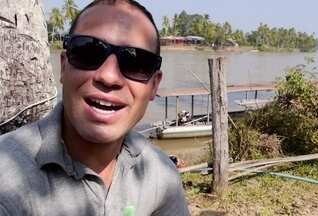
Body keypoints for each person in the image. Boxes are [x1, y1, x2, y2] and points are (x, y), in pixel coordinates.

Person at [0, 0, 190, 215]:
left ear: (154, 85)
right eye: (88, 52)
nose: (108, 77)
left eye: (136, 63)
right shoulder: (7, 178)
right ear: (63, 67)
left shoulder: (160, 174)